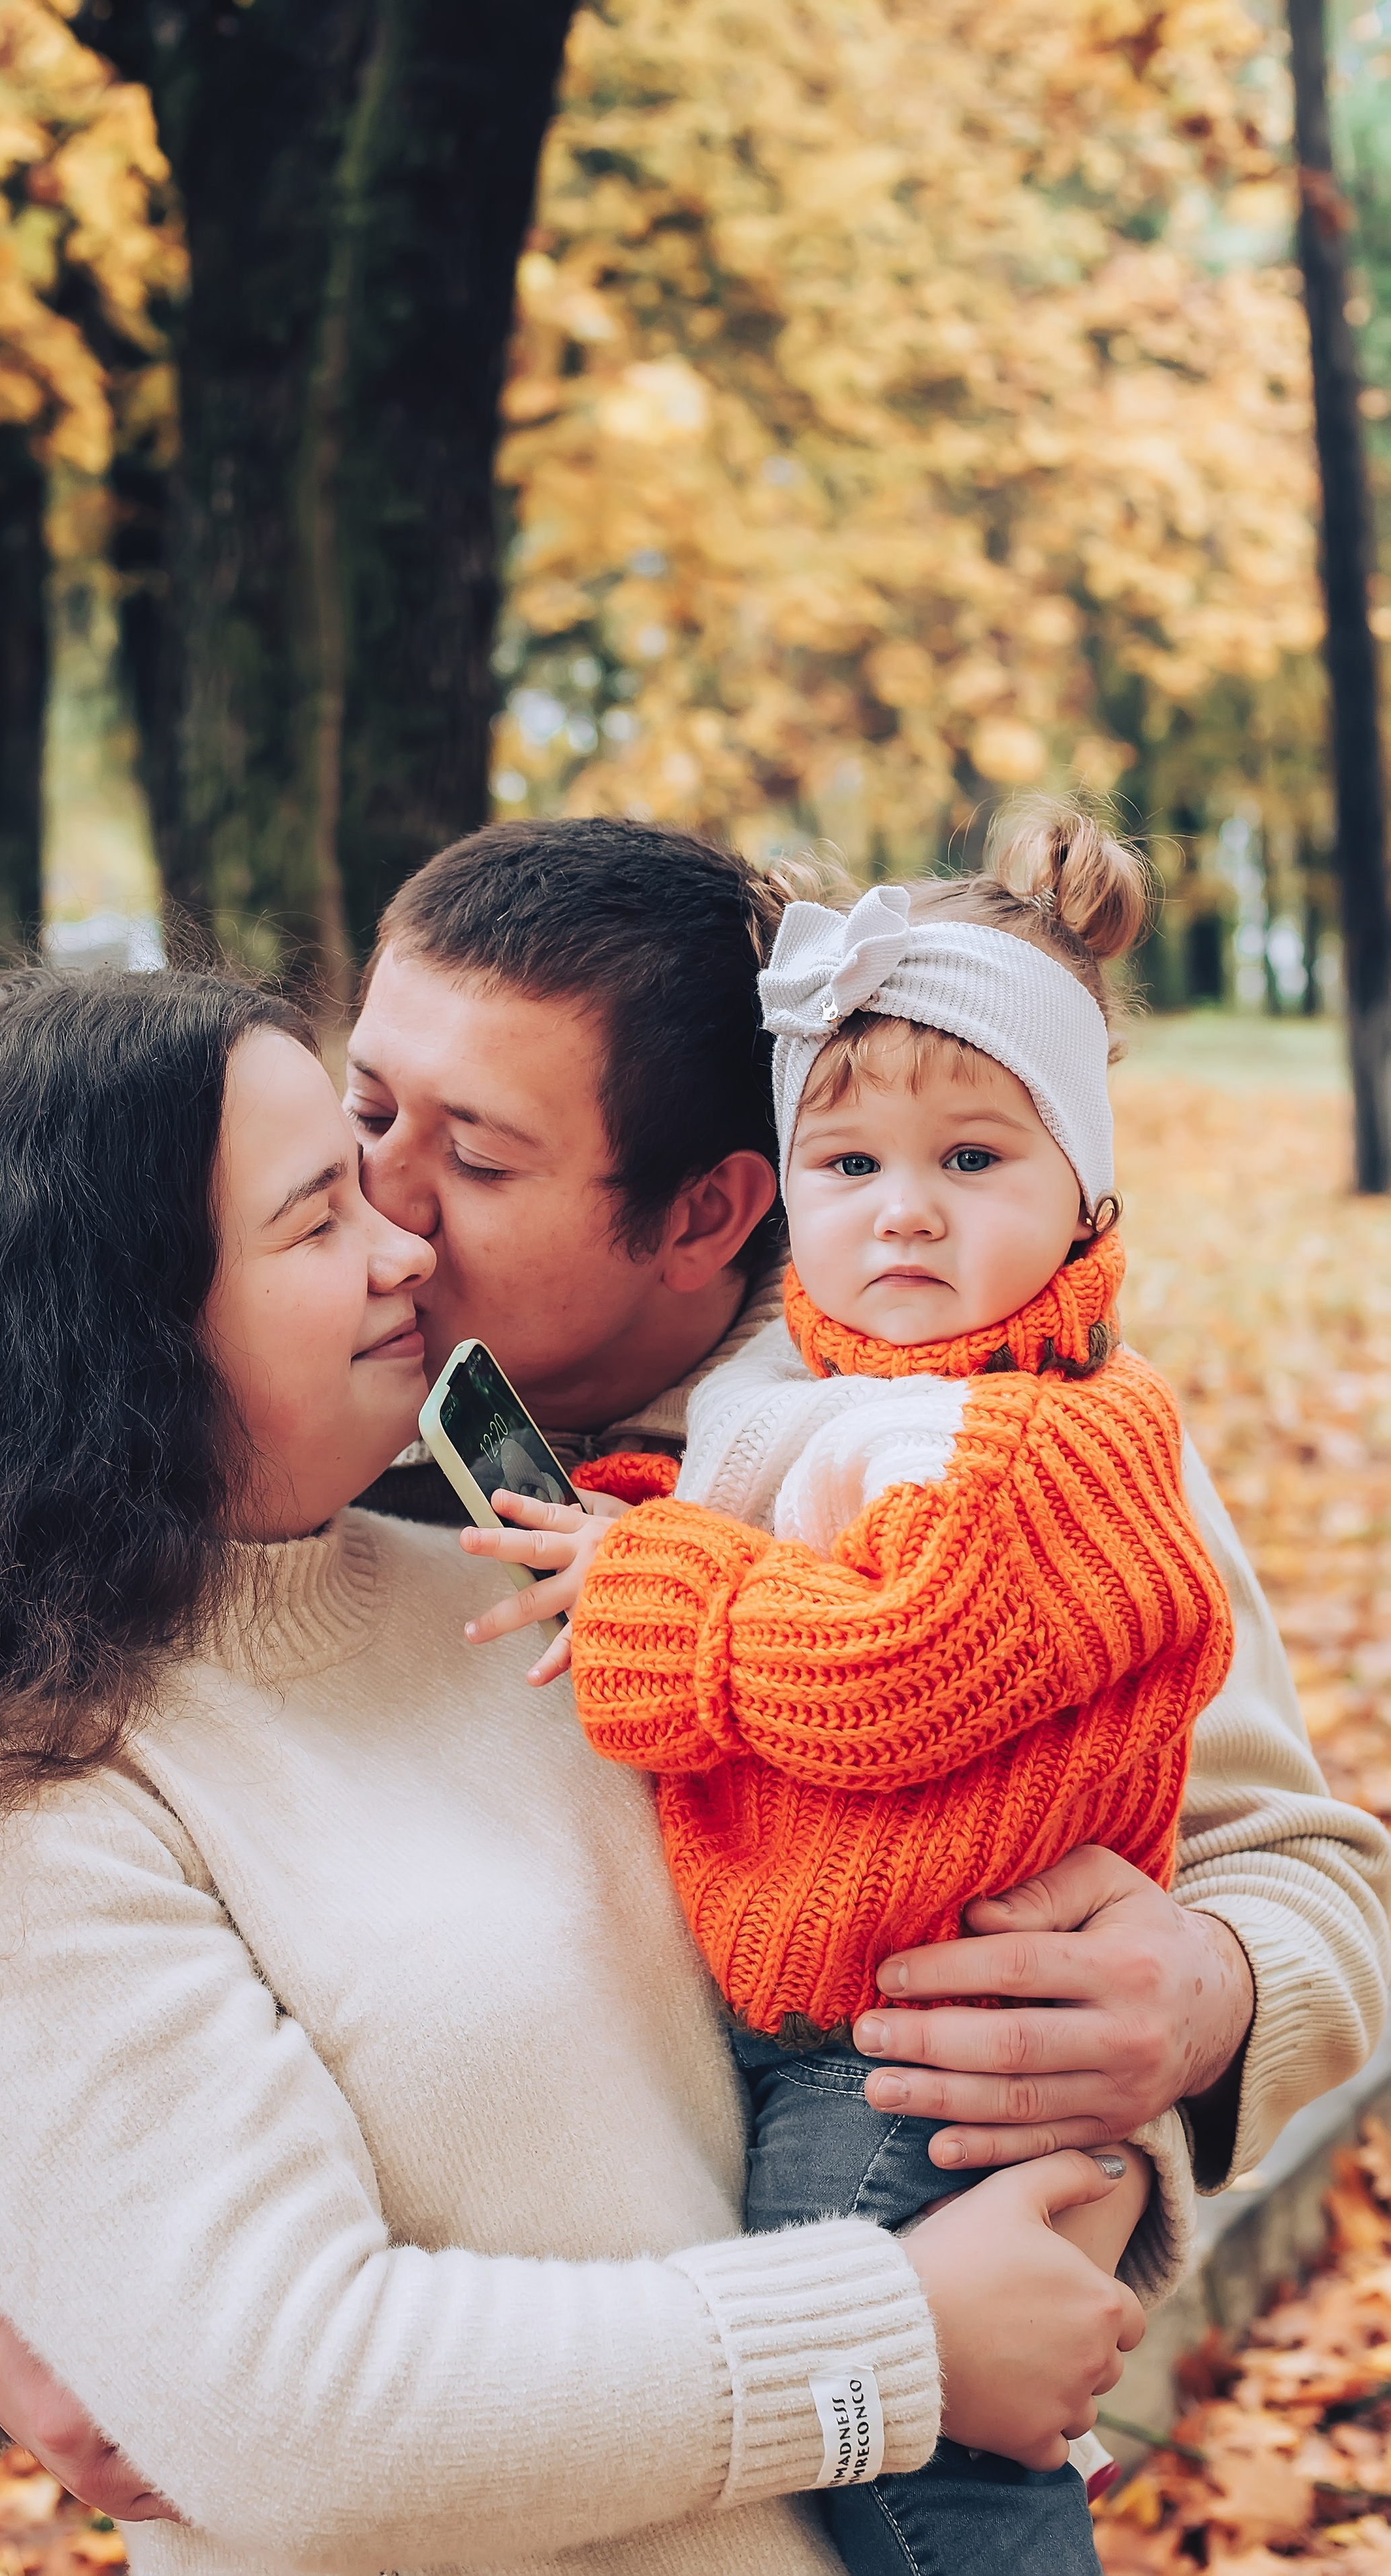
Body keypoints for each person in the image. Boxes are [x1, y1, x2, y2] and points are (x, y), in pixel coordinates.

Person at [0, 820, 1388, 2512]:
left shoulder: (972, 1430)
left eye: (484, 1163)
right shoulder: (262, 1431)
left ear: (707, 1212)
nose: (389, 1206)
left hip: (865, 2333)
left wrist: (1204, 2001)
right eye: (368, 1111)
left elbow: (1299, 1868)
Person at [0, 968, 1149, 2576]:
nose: (406, 1248)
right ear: (102, 1335)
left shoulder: (544, 1584)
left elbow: (881, 1979)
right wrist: (893, 2345)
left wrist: (1156, 2033)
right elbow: (305, 2419)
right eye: (319, 1221)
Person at [460, 807, 1232, 2574]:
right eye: (853, 1165)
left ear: (1084, 1196)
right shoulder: (816, 1392)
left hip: (914, 2052)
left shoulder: (1065, 1440)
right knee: (884, 2438)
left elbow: (904, 1670)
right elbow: (773, 1537)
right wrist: (630, 1523)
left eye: (974, 1161)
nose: (902, 1215)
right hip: (828, 2028)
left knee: (907, 2471)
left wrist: (647, 1592)